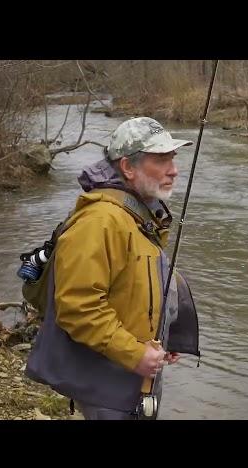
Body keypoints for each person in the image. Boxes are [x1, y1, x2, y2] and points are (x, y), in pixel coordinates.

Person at [26, 117, 199, 420]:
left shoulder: (140, 215)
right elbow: (78, 308)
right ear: (127, 167)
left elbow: (139, 288)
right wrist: (136, 354)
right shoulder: (99, 221)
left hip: (137, 378)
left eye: (172, 158)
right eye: (161, 159)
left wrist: (165, 335)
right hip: (108, 388)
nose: (174, 169)